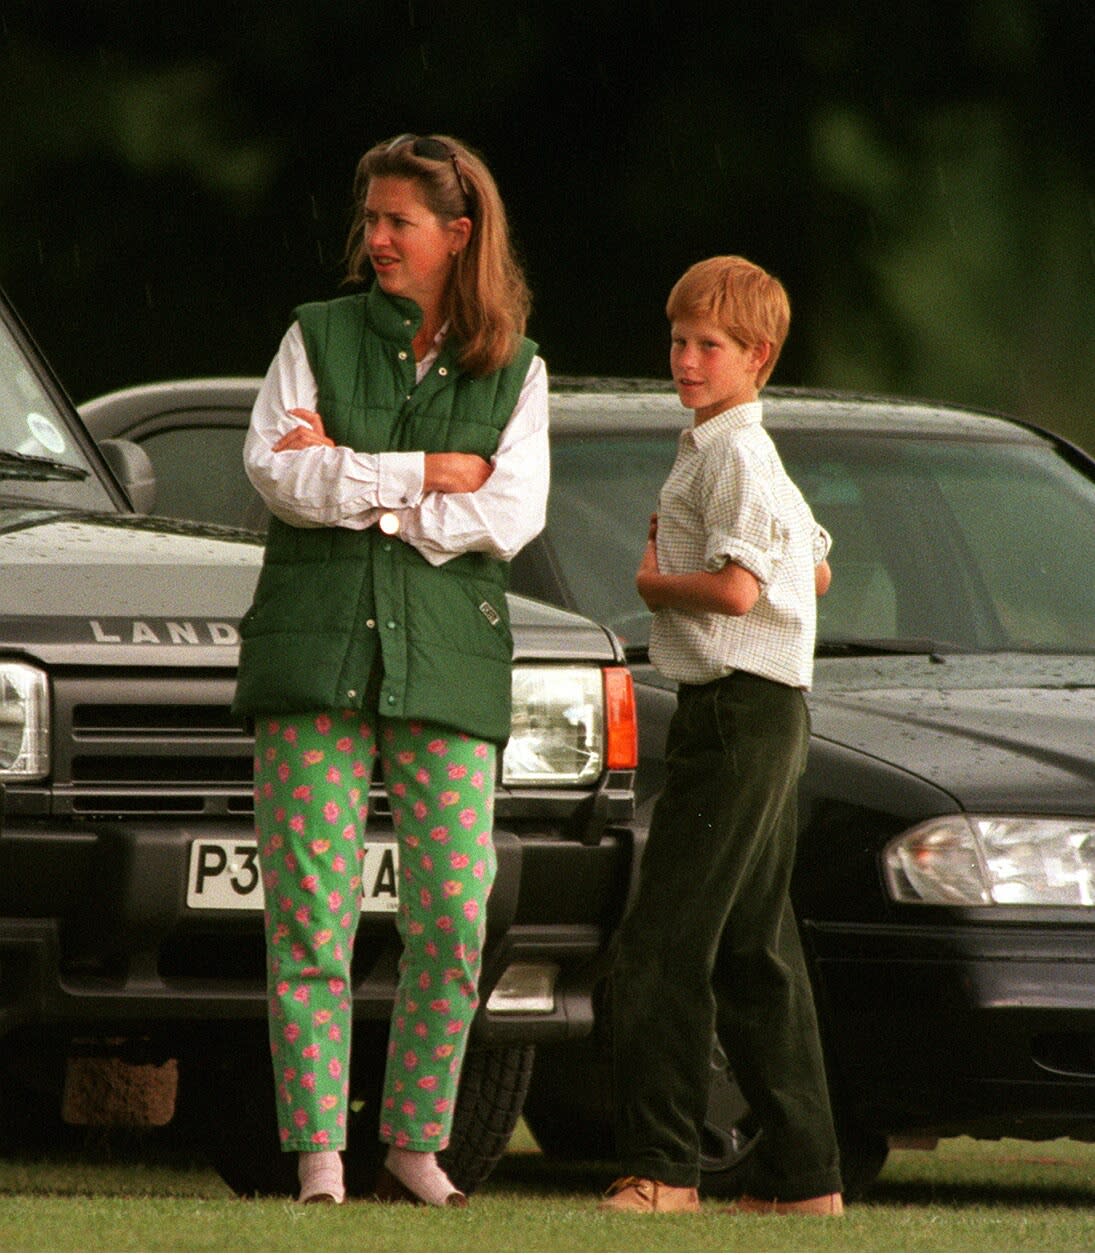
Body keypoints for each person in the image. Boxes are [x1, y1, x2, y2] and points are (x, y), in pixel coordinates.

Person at [233, 133, 549, 1207]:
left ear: (458, 235)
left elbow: (508, 514)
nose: (373, 239)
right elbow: (274, 473)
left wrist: (353, 481)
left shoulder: (518, 366)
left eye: (396, 222)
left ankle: (417, 1144)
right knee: (309, 918)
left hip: (449, 666)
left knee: (456, 917)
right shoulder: (314, 335)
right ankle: (319, 1157)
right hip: (313, 657)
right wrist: (423, 476)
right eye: (368, 218)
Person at [599, 255, 844, 1216]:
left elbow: (742, 588)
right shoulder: (736, 448)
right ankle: (803, 1180)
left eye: (710, 345)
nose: (686, 359)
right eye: (678, 339)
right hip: (768, 708)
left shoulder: (733, 454)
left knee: (663, 943)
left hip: (738, 712)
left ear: (758, 356)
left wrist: (656, 586)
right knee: (751, 947)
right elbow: (813, 570)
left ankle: (663, 1170)